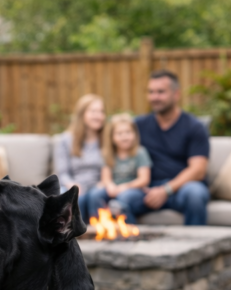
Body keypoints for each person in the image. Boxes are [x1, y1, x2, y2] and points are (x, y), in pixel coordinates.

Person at [116, 70, 211, 225]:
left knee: (195, 194)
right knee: (124, 199)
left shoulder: (194, 127)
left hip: (182, 189)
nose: (155, 97)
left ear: (176, 94)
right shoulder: (139, 126)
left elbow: (198, 170)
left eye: (161, 92)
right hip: (147, 190)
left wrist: (165, 190)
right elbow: (114, 141)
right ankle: (133, 247)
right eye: (151, 92)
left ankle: (195, 248)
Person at [53, 94, 110, 222]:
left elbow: (111, 168)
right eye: (93, 111)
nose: (98, 115)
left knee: (94, 195)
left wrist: (104, 183)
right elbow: (62, 174)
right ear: (81, 114)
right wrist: (72, 185)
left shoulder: (107, 140)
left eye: (101, 112)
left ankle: (97, 231)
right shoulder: (65, 140)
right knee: (74, 197)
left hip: (98, 186)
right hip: (74, 185)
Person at [99, 113, 152, 211]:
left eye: (128, 132)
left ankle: (126, 225)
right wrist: (110, 186)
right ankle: (96, 224)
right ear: (111, 137)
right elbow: (105, 178)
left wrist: (125, 187)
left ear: (135, 134)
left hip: (134, 190)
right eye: (119, 133)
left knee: (124, 198)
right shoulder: (108, 154)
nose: (124, 136)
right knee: (95, 195)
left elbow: (144, 179)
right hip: (114, 188)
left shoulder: (140, 152)